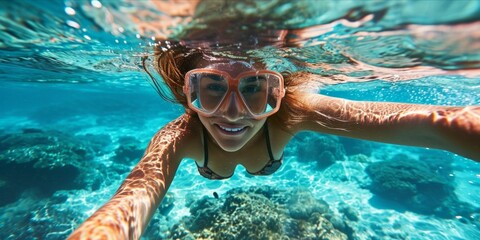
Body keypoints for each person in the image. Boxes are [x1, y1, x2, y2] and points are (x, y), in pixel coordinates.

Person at [68, 43, 480, 239]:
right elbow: (129, 202)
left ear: (278, 92)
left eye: (255, 89)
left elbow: (432, 124)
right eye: (210, 88)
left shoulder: (295, 112)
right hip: (222, 163)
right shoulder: (179, 137)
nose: (232, 112)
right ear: (186, 95)